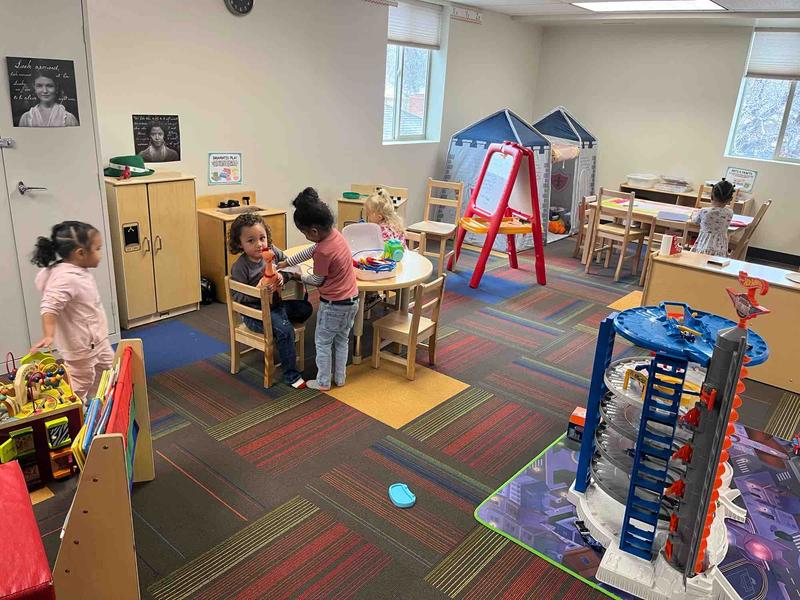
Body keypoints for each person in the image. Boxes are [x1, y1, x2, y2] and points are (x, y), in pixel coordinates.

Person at [279, 188, 359, 391]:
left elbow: (317, 280)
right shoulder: (335, 236)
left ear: (313, 231)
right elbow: (309, 251)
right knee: (341, 340)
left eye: (304, 233)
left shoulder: (323, 251)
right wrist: (286, 262)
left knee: (322, 343)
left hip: (333, 305)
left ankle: (323, 381)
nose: (306, 237)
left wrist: (297, 275)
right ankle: (340, 378)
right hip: (352, 300)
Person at [30, 221, 112, 403]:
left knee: (109, 369)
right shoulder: (66, 278)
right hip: (81, 347)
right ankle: (73, 409)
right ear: (81, 253)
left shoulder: (78, 271)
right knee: (82, 381)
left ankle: (101, 403)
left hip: (97, 340)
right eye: (98, 249)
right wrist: (48, 335)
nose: (100, 253)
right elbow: (49, 306)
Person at [228, 213, 311, 389]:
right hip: (256, 314)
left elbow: (290, 265)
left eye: (262, 238)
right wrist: (258, 291)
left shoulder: (272, 252)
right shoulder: (241, 267)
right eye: (251, 241)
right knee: (286, 330)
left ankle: (280, 330)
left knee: (306, 308)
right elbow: (236, 296)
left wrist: (283, 275)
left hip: (276, 306)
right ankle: (291, 375)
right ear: (239, 244)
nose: (259, 244)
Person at [690, 179, 735, 257]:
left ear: (711, 196)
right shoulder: (730, 213)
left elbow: (695, 221)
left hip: (705, 245)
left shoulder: (704, 211)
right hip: (721, 248)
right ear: (730, 200)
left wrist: (692, 216)